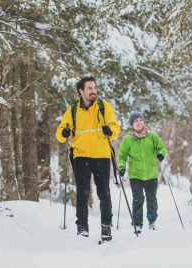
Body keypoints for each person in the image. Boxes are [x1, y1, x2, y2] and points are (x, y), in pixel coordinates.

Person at [55, 77, 120, 242]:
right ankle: (82, 230)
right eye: (89, 88)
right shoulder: (72, 111)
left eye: (94, 88)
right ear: (81, 91)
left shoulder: (104, 107)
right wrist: (63, 134)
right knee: (82, 194)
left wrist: (109, 131)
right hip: (81, 156)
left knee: (104, 193)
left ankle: (106, 230)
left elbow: (115, 127)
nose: (93, 91)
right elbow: (62, 131)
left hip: (101, 156)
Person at [118, 111, 167, 234]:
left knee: (152, 199)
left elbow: (161, 148)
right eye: (136, 121)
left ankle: (152, 221)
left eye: (140, 120)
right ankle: (138, 224)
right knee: (137, 200)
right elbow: (121, 156)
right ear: (132, 124)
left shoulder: (152, 136)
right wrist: (122, 167)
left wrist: (161, 154)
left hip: (151, 174)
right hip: (136, 175)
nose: (139, 123)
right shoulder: (128, 140)